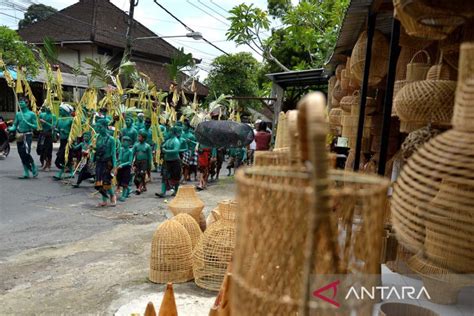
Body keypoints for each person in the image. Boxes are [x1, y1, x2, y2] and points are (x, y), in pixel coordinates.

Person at [8, 98, 39, 179]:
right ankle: (26, 172)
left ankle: (33, 166)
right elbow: (15, 125)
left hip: (28, 135)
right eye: (19, 102)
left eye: (22, 102)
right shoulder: (18, 114)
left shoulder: (31, 114)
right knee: (21, 153)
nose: (20, 104)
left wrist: (28, 123)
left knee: (26, 152)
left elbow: (36, 126)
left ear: (27, 103)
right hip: (19, 135)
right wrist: (10, 129)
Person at [93, 119, 117, 207]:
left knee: (106, 182)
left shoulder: (111, 140)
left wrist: (114, 166)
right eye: (97, 127)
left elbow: (113, 153)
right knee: (99, 182)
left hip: (107, 163)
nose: (98, 129)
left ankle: (112, 195)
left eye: (100, 127)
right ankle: (104, 200)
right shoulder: (97, 137)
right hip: (99, 162)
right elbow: (97, 150)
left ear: (105, 127)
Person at [155, 126, 182, 198]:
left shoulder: (176, 141)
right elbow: (163, 146)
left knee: (176, 177)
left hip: (175, 161)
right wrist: (163, 147)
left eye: (169, 131)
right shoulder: (168, 140)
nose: (168, 133)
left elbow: (176, 150)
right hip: (167, 161)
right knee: (164, 176)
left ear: (172, 132)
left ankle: (176, 191)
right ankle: (163, 192)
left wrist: (166, 151)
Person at [54, 103, 73, 180]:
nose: (60, 111)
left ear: (66, 111)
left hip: (68, 141)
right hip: (62, 141)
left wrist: (66, 132)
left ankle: (60, 173)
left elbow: (74, 131)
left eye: (61, 110)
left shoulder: (71, 119)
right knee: (66, 158)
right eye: (60, 110)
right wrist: (55, 129)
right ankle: (71, 172)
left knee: (63, 158)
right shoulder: (59, 119)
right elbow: (57, 129)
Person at [132, 130, 152, 195]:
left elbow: (150, 156)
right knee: (136, 177)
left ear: (144, 138)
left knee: (142, 175)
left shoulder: (147, 146)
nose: (138, 138)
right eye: (138, 136)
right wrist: (131, 163)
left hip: (144, 162)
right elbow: (132, 154)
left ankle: (139, 189)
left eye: (140, 137)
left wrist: (149, 164)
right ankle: (143, 187)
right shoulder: (136, 145)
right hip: (137, 162)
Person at [37, 106, 56, 171]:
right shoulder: (42, 114)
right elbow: (38, 121)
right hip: (42, 134)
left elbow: (54, 126)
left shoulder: (53, 116)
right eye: (47, 107)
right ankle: (43, 162)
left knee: (48, 150)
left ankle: (48, 164)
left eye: (49, 107)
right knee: (41, 148)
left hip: (49, 134)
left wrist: (45, 122)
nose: (48, 108)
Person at [116, 136, 133, 201]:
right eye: (123, 141)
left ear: (129, 143)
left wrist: (122, 164)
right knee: (119, 181)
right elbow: (119, 158)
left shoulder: (130, 151)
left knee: (125, 182)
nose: (124, 143)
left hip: (126, 168)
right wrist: (117, 163)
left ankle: (124, 195)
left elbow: (130, 161)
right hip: (120, 167)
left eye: (125, 142)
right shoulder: (121, 149)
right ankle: (129, 190)